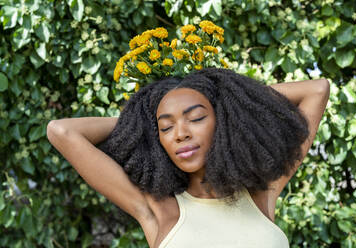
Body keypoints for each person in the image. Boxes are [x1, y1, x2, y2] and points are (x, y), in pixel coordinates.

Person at [47, 67, 330, 248]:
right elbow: (62, 131)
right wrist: (140, 123)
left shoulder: (261, 195)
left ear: (225, 121)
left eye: (195, 118)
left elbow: (317, 89)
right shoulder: (158, 210)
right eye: (166, 127)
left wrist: (233, 103)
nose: (179, 134)